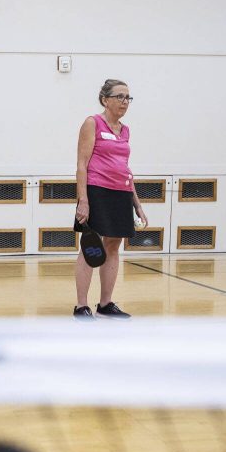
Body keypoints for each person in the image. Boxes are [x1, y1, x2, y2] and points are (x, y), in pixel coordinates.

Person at [73, 79, 147, 321]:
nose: (125, 102)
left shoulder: (125, 130)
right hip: (97, 191)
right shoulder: (92, 123)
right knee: (90, 247)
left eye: (128, 97)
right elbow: (81, 165)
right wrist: (83, 200)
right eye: (120, 96)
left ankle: (105, 304)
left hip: (121, 192)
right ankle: (81, 306)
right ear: (105, 100)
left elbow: (125, 168)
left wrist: (136, 203)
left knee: (113, 246)